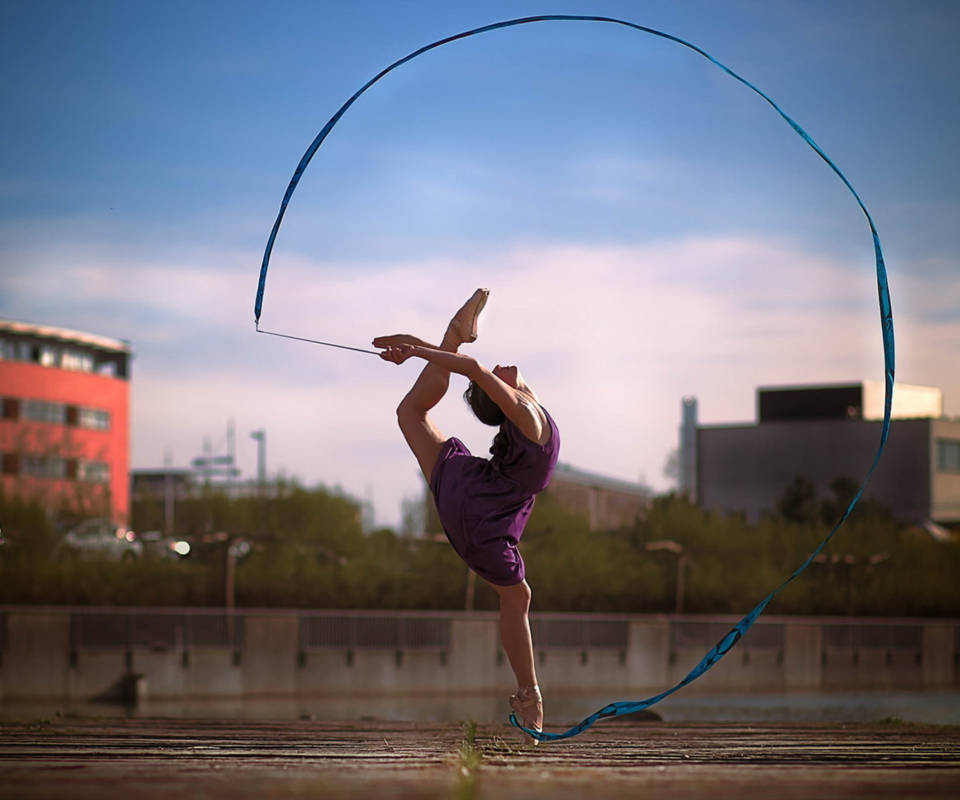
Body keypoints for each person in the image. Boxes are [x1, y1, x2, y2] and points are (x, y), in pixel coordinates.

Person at [373, 288, 560, 740]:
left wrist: (420, 347)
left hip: (481, 498)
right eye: (496, 381)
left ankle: (456, 334)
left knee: (410, 413)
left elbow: (477, 373)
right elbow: (475, 374)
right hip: (480, 506)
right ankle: (529, 695)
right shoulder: (527, 415)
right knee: (518, 599)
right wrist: (416, 348)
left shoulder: (526, 411)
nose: (498, 369)